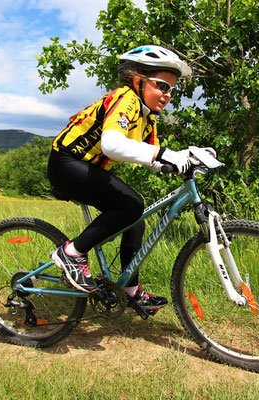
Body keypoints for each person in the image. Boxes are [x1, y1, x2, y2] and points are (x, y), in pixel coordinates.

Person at [48, 45, 201, 314]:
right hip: (66, 163)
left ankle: (130, 291)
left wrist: (187, 157)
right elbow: (112, 144)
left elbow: (155, 158)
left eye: (171, 89)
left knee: (135, 218)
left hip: (88, 167)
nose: (167, 95)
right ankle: (71, 253)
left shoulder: (147, 118)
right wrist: (167, 154)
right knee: (131, 205)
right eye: (162, 85)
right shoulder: (125, 98)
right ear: (137, 80)